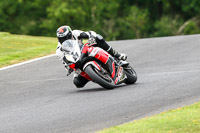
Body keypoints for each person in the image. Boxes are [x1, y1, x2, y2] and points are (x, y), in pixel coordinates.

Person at [56, 25, 127, 88]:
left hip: (85, 50)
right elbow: (65, 62)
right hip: (78, 61)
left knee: (98, 38)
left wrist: (91, 37)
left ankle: (117, 55)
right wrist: (68, 67)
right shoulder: (59, 50)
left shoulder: (75, 33)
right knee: (77, 82)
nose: (64, 40)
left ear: (70, 34)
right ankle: (97, 76)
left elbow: (90, 33)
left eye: (66, 37)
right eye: (61, 39)